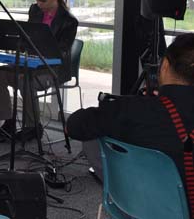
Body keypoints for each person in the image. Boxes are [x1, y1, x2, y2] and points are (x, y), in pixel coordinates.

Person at [67, 32, 194, 187]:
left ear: (165, 65)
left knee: (93, 135)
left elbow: (74, 125)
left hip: (146, 205)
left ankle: (123, 195)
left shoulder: (135, 109)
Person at [0, 0, 78, 142]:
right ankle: (8, 121)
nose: (39, 4)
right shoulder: (35, 10)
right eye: (36, 0)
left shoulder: (69, 21)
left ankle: (32, 127)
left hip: (52, 69)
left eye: (43, 1)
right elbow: (28, 37)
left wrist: (39, 55)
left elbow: (61, 52)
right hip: (29, 63)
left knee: (25, 80)